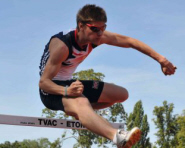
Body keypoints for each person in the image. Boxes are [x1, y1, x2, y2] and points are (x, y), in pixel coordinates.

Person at [39, 4, 176, 148]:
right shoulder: (62, 46)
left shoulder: (96, 38)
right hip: (50, 91)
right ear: (81, 26)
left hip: (68, 83)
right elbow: (43, 83)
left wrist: (162, 59)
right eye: (95, 29)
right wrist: (67, 91)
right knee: (81, 102)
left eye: (103, 28)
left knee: (121, 94)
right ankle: (117, 137)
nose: (100, 33)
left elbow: (130, 41)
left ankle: (82, 111)